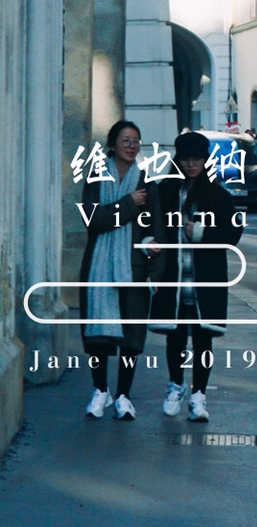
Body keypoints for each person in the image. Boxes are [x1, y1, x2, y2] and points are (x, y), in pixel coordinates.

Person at [140, 129, 245, 421]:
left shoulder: (218, 195)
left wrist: (200, 232)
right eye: (186, 159)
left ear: (205, 160)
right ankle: (176, 385)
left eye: (197, 159)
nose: (191, 164)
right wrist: (150, 242)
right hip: (173, 279)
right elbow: (146, 224)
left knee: (202, 340)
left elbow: (233, 233)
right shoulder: (164, 192)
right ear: (178, 160)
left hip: (204, 281)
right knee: (174, 338)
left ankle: (199, 395)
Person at [80, 119, 151, 418]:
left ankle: (124, 395)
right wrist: (128, 204)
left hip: (133, 269)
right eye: (126, 140)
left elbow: (154, 225)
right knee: (98, 337)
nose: (132, 145)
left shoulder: (145, 179)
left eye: (136, 140)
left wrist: (153, 270)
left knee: (131, 338)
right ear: (112, 145)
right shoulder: (96, 177)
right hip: (99, 267)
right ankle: (100, 391)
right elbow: (93, 221)